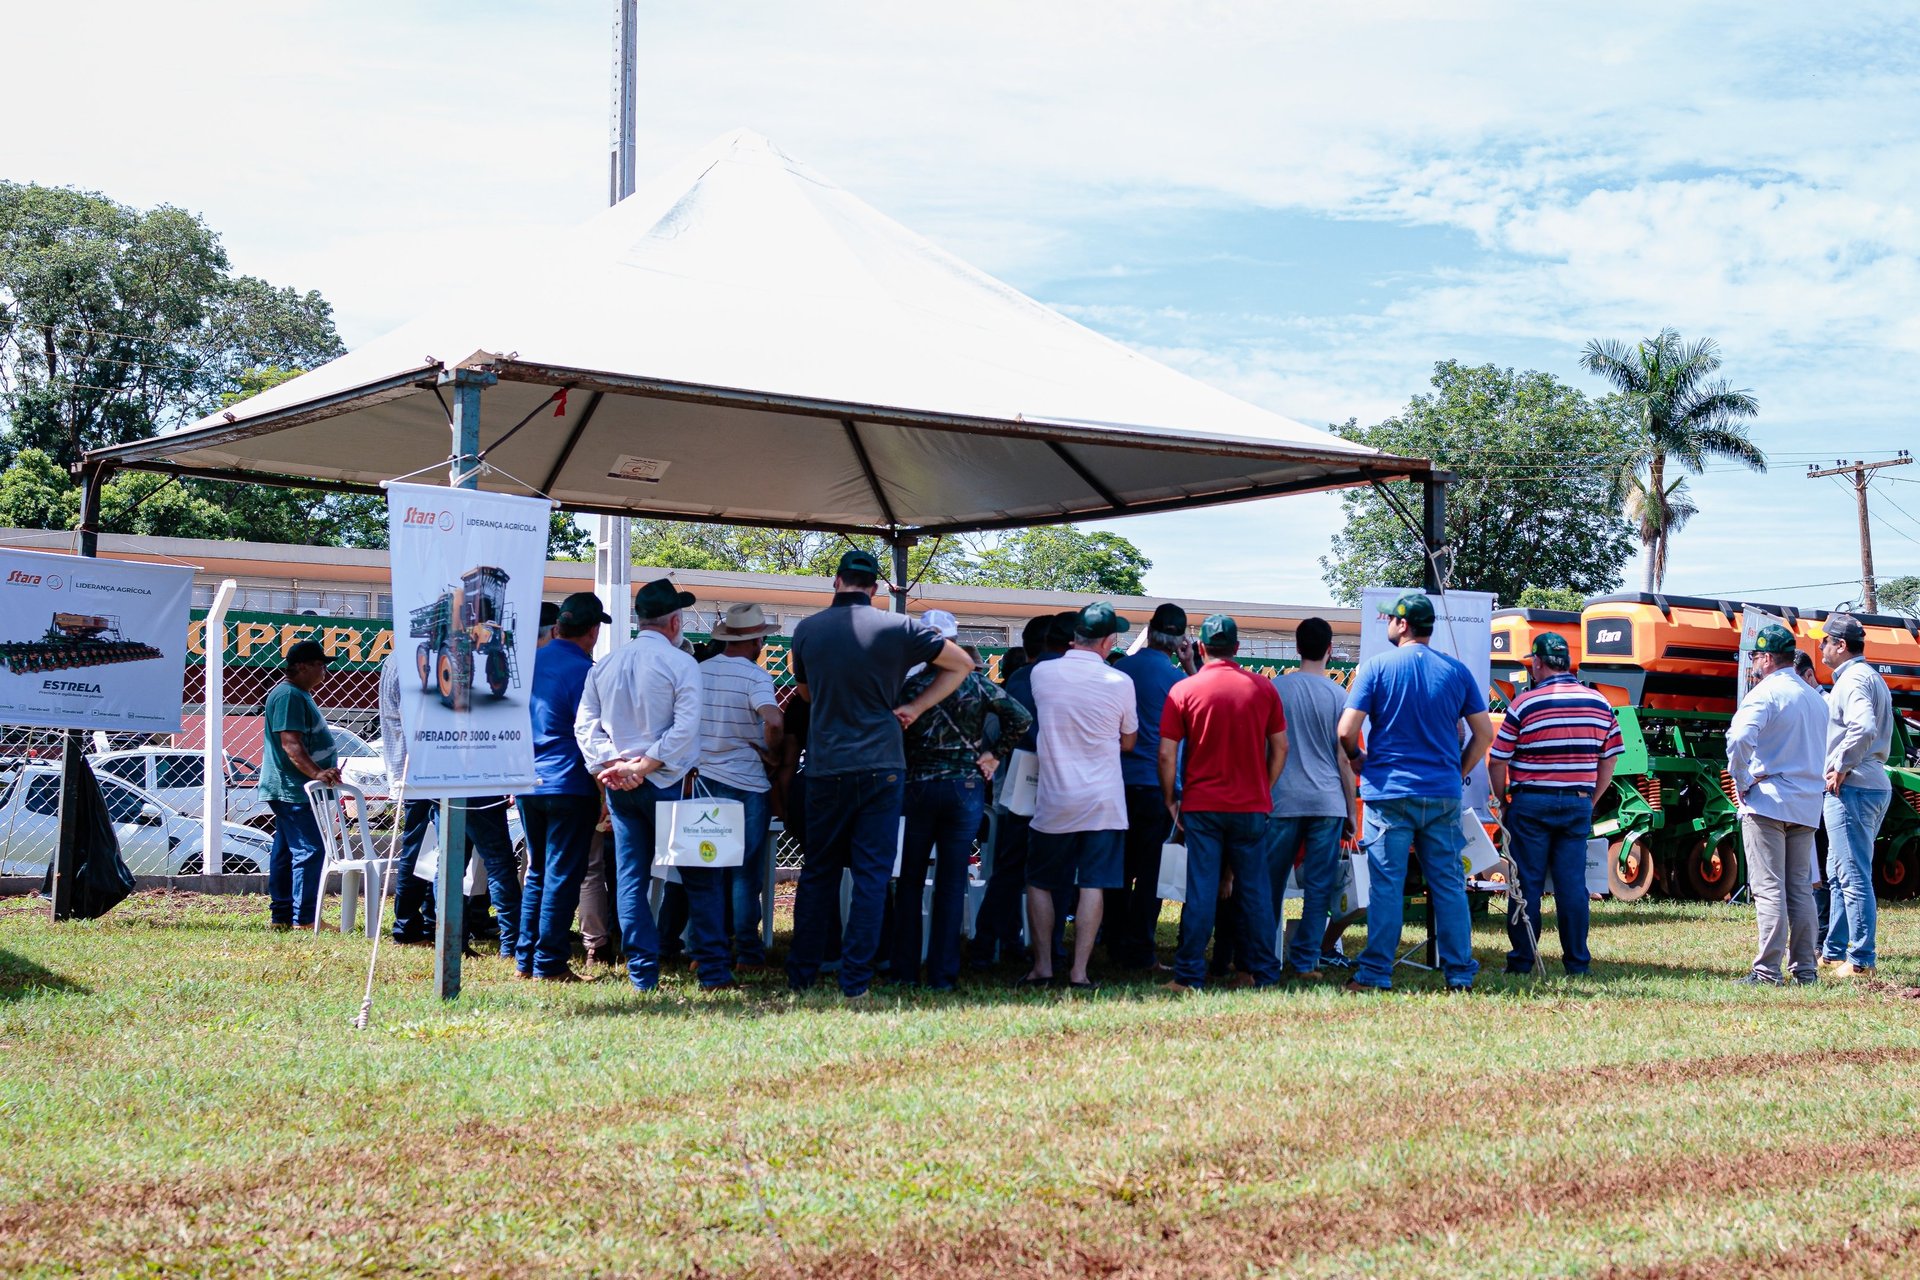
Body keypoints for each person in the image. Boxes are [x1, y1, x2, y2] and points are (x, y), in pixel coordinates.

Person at [785, 549, 972, 999]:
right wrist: (915, 706)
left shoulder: (807, 630)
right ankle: (856, 980)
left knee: (819, 871)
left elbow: (805, 694)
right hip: (883, 765)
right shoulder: (900, 628)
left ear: (836, 581)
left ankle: (802, 974)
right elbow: (962, 665)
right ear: (874, 588)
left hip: (826, 765)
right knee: (871, 876)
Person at [577, 577, 731, 992]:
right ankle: (713, 971)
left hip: (623, 786)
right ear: (675, 622)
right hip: (672, 781)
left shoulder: (606, 664)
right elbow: (685, 728)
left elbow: (585, 726)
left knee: (631, 878)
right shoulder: (682, 664)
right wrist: (642, 766)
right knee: (700, 878)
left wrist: (614, 765)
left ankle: (642, 973)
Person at [1336, 591, 1493, 993]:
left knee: (1387, 886)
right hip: (1441, 793)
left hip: (1389, 793)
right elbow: (1483, 734)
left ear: (1403, 624)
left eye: (1390, 618)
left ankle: (1375, 974)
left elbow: (1346, 730)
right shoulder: (1456, 671)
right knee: (1449, 885)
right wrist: (1456, 771)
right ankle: (1459, 975)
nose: (1387, 623)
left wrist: (1356, 758)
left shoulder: (1377, 668)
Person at [894, 612, 1033, 989]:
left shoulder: (911, 686)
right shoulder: (977, 684)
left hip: (918, 787)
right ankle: (943, 974)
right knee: (952, 881)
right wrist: (994, 754)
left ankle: (905, 970)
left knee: (910, 879)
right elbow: (1020, 718)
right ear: (954, 640)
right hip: (965, 788)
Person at [1158, 615, 1289, 993]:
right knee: (1256, 891)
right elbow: (1281, 747)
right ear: (1237, 648)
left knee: (1201, 889)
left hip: (1202, 805)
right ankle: (1264, 972)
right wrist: (1264, 787)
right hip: (1250, 806)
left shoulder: (1184, 690)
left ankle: (1188, 975)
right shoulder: (1263, 688)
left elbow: (1166, 755)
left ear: (1201, 648)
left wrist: (1171, 799)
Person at [1485, 633, 1624, 976]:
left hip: (1531, 804)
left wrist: (1503, 802)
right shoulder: (1599, 703)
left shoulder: (1524, 704)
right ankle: (1577, 964)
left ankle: (1522, 961)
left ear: (1538, 662)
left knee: (1526, 885)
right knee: (1572, 886)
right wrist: (1590, 798)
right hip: (1577, 804)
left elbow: (1497, 760)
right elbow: (1610, 759)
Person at [1023, 602, 1139, 990]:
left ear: (1075, 636)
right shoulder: (1119, 682)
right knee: (1093, 883)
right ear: (1108, 641)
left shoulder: (1042, 673)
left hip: (1055, 796)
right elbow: (1129, 741)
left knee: (1041, 882)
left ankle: (1042, 967)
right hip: (1103, 799)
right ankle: (1079, 972)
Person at [1726, 623, 1828, 986]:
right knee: (1800, 888)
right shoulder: (1814, 698)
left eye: (1755, 656)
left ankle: (1767, 971)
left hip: (1768, 800)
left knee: (1769, 888)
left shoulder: (1765, 693)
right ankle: (1806, 969)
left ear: (1767, 658)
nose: (1754, 662)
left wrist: (1740, 779)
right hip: (1807, 802)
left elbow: (1739, 737)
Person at [515, 591, 606, 981]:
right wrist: (604, 790)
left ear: (557, 627)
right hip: (570, 781)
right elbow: (593, 735)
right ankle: (550, 962)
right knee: (563, 873)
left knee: (538, 870)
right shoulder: (588, 672)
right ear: (593, 631)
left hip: (527, 780)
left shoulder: (528, 664)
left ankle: (525, 960)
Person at [972, 613, 1071, 968]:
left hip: (1019, 779)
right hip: (1057, 780)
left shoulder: (1017, 679)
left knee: (1009, 868)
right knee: (1057, 870)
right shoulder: (1064, 676)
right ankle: (1051, 949)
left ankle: (987, 944)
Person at [1268, 617, 1360, 979]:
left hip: (1282, 800)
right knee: (1319, 887)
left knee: (1271, 884)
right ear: (1330, 649)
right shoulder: (1339, 696)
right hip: (1327, 803)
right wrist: (1351, 809)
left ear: (1296, 647)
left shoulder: (1276, 689)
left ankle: (1264, 958)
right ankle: (1306, 961)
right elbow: (1343, 759)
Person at [697, 602, 785, 972]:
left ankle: (707, 949)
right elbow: (774, 720)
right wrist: (771, 752)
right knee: (745, 874)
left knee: (708, 869)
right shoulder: (755, 677)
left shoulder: (699, 671)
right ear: (757, 640)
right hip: (747, 782)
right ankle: (748, 953)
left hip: (703, 781)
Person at [1109, 603, 1196, 970]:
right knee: (1150, 874)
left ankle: (1112, 943)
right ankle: (1141, 949)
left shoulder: (1120, 669)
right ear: (1180, 641)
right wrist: (1190, 665)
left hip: (1116, 783)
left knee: (1117, 868)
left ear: (1149, 628)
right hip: (1157, 786)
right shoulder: (1178, 681)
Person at [1815, 613, 1893, 979]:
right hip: (1870, 783)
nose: (1821, 646)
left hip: (1854, 785)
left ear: (1841, 645)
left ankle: (1861, 961)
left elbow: (1863, 726)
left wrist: (1842, 765)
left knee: (1852, 875)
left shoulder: (1853, 679)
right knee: (1838, 872)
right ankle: (1833, 952)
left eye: (1825, 641)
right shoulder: (1870, 676)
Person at [259, 639, 341, 930]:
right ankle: (304, 918)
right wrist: (317, 772)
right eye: (320, 665)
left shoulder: (296, 694)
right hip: (292, 789)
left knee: (285, 852)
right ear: (302, 666)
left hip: (293, 788)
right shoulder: (289, 695)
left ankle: (282, 916)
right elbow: (290, 744)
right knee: (311, 849)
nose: (324, 672)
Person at [376, 648, 437, 944]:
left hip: (414, 768)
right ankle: (408, 925)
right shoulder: (415, 657)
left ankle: (423, 921)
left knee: (425, 846)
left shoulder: (400, 656)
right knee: (419, 847)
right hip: (420, 768)